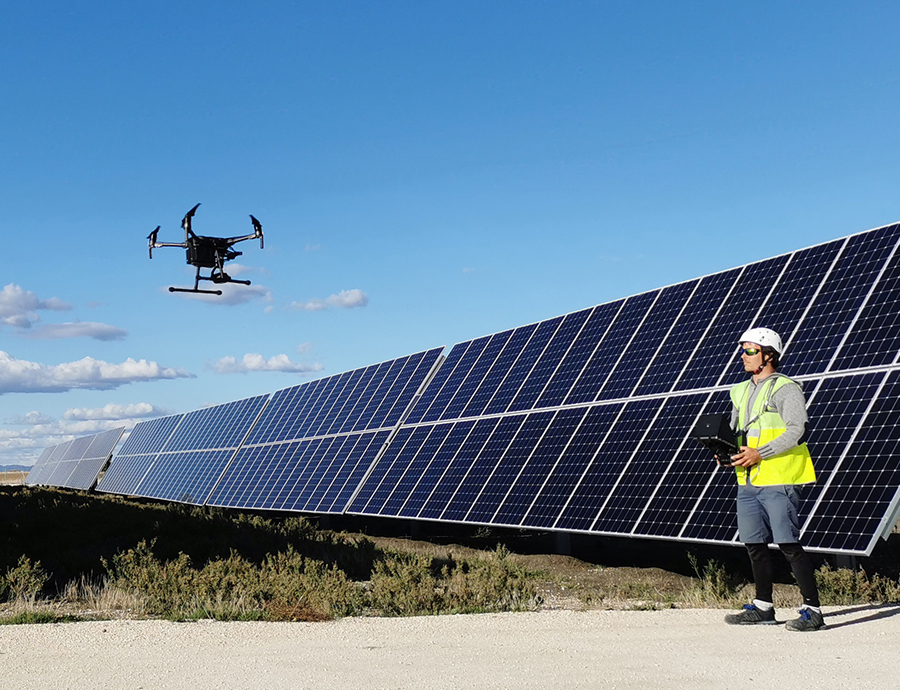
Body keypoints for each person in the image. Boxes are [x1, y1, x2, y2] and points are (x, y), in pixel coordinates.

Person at [722, 327, 825, 632]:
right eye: (743, 350)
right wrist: (725, 451)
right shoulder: (739, 390)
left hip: (779, 478)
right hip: (748, 480)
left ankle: (813, 611)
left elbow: (797, 430)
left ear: (768, 355)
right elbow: (735, 430)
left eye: (750, 351)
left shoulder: (786, 388)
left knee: (788, 544)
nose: (743, 356)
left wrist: (760, 453)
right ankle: (763, 607)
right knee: (754, 544)